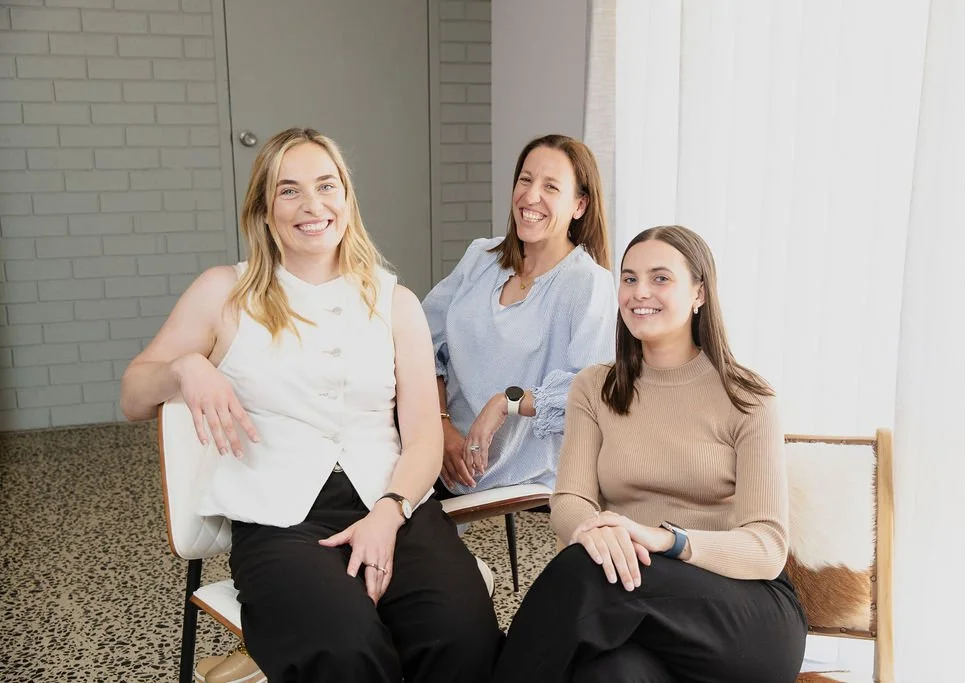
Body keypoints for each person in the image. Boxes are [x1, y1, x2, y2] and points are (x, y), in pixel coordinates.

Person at [120, 127, 501, 682]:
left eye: (326, 186)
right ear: (264, 210)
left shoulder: (394, 302)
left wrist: (388, 516)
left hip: (394, 506)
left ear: (346, 199)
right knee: (345, 650)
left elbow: (422, 437)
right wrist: (185, 367)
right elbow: (133, 394)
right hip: (281, 525)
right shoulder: (225, 293)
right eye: (289, 190)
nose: (313, 205)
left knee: (461, 635)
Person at [492, 226, 808, 683]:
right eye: (629, 278)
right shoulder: (593, 388)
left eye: (661, 278)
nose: (640, 293)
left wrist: (665, 540)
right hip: (633, 600)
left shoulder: (749, 398)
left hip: (744, 616)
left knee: (588, 573)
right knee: (612, 673)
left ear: (699, 292)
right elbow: (570, 501)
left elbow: (767, 547)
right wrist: (591, 529)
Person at [422, 134, 617, 497]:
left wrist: (506, 401)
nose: (530, 196)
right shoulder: (481, 257)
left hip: (511, 474)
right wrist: (441, 426)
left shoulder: (587, 283)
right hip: (432, 447)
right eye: (525, 180)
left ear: (579, 205)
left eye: (551, 187)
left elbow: (593, 392)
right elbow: (422, 344)